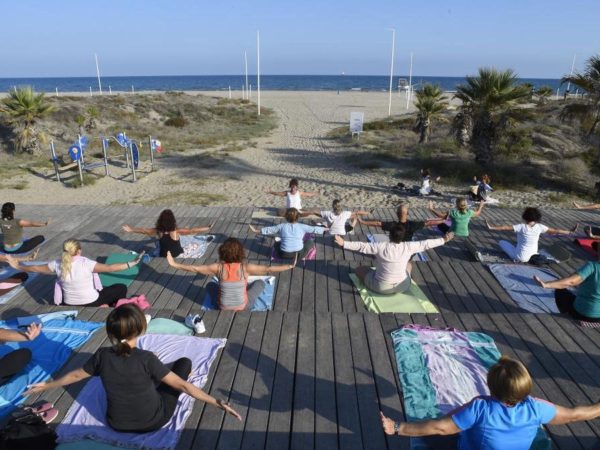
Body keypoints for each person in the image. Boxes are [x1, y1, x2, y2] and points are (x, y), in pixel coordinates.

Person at [24, 304, 241, 432]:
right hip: (153, 421)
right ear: (140, 330)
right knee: (183, 364)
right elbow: (183, 387)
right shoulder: (146, 358)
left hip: (115, 423)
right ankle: (161, 377)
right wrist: (217, 402)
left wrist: (48, 385)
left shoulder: (102, 356)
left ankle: (157, 377)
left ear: (111, 332)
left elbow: (75, 375)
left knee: (154, 372)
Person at [380, 355, 600, 450]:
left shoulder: (481, 407)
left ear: (492, 386)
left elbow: (440, 427)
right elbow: (574, 414)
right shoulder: (537, 407)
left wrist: (398, 427)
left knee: (431, 436)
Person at [166, 238, 296, 310]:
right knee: (260, 283)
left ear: (222, 252)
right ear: (240, 253)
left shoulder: (217, 267)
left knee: (210, 285)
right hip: (243, 306)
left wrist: (175, 264)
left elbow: (195, 268)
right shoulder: (245, 268)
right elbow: (269, 269)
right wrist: (289, 266)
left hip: (222, 307)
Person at [6, 239, 143, 307]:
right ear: (78, 251)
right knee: (120, 287)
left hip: (69, 303)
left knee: (105, 289)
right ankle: (107, 306)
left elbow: (35, 269)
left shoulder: (57, 264)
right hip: (92, 302)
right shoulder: (86, 263)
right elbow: (111, 268)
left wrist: (18, 266)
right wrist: (132, 263)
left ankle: (104, 305)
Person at [336, 225, 453, 294]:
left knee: (359, 270)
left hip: (380, 287)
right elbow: (426, 244)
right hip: (402, 286)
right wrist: (443, 240)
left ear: (389, 236)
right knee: (409, 265)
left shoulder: (380, 246)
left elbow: (361, 246)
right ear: (402, 237)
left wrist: (344, 243)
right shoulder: (408, 246)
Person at [486, 207, 577, 262]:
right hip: (534, 255)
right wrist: (569, 231)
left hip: (520, 257)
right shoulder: (540, 227)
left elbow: (505, 228)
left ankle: (514, 253)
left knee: (502, 242)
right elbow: (555, 230)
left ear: (525, 217)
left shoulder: (521, 227)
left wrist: (491, 227)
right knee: (516, 246)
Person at [122, 209, 214, 258]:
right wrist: (208, 227)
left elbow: (144, 231)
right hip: (176, 254)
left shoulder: (158, 231)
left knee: (158, 243)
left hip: (164, 255)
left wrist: (131, 229)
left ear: (161, 220)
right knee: (193, 243)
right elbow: (192, 230)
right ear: (172, 220)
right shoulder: (176, 231)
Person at [534, 258, 600, 323]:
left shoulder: (592, 267)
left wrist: (546, 284)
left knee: (560, 291)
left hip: (581, 314)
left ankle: (566, 316)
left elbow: (571, 282)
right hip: (598, 318)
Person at [249, 208, 326, 259]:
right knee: (310, 242)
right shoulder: (302, 226)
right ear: (298, 217)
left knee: (276, 243)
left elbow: (269, 230)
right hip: (298, 255)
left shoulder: (281, 226)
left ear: (286, 217)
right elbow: (315, 229)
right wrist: (327, 229)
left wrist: (256, 230)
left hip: (283, 254)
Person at [358, 201, 445, 241]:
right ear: (407, 214)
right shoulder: (413, 225)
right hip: (407, 248)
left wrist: (362, 222)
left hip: (395, 246)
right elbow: (429, 223)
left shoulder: (393, 225)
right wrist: (443, 220)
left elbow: (377, 223)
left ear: (396, 214)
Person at [304, 199, 369, 235]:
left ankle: (316, 224)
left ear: (332, 206)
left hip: (331, 233)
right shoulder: (345, 213)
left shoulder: (327, 213)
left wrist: (306, 212)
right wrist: (367, 213)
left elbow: (315, 212)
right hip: (342, 233)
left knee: (323, 225)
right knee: (352, 222)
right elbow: (357, 212)